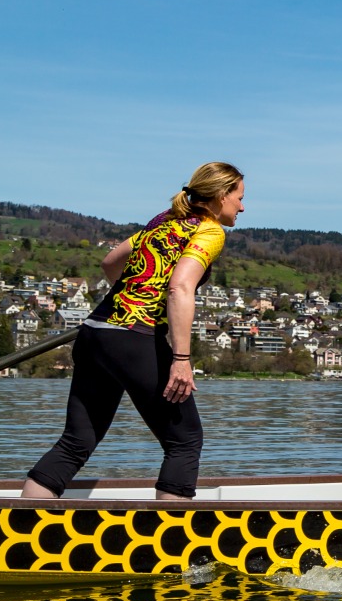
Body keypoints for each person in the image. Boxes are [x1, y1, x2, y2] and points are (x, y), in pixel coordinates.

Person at [21, 163, 245, 501]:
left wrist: (132, 299)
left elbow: (111, 262)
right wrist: (181, 358)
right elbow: (179, 288)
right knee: (184, 440)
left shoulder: (164, 223)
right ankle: (170, 542)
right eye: (240, 198)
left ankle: (21, 525)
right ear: (220, 196)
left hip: (95, 331)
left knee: (77, 440)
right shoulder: (210, 231)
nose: (242, 207)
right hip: (132, 339)